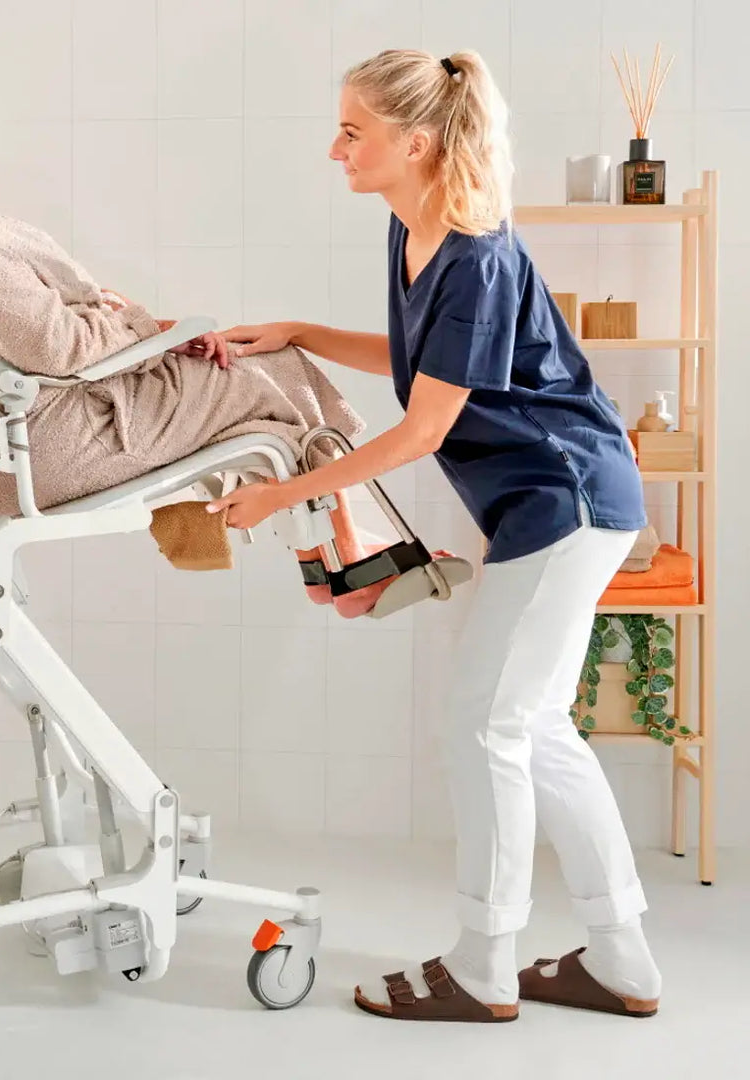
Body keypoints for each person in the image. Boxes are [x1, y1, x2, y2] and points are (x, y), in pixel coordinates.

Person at [209, 49, 661, 1022]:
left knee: (484, 725)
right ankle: (623, 961)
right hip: (554, 505)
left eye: (352, 132)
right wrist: (299, 331)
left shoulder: (476, 251)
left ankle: (484, 964)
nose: (335, 149)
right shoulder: (410, 230)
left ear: (414, 143)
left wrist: (283, 493)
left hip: (566, 499)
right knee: (535, 728)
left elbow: (424, 428)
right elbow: (427, 364)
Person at [0, 61, 416, 619]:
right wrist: (148, 330)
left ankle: (330, 562)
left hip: (18, 436)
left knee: (257, 393)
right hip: (56, 441)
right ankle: (348, 563)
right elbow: (56, 345)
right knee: (274, 364)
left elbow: (36, 331)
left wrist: (155, 337)